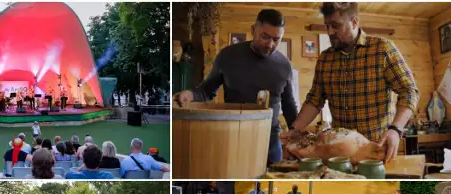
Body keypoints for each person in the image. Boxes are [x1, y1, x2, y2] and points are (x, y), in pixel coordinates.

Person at [282, 2, 418, 163]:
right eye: (327, 26)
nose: (330, 32)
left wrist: (395, 129)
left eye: (335, 25)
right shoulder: (325, 59)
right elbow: (314, 100)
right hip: (338, 156)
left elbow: (409, 91)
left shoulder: (383, 49)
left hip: (377, 151)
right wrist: (294, 130)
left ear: (354, 22)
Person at [174, 9, 297, 164]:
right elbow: (206, 90)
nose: (270, 44)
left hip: (270, 143)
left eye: (276, 39)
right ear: (253, 30)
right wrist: (190, 95)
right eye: (265, 37)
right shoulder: (227, 56)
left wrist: (297, 135)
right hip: (233, 138)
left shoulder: (284, 65)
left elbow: (289, 106)